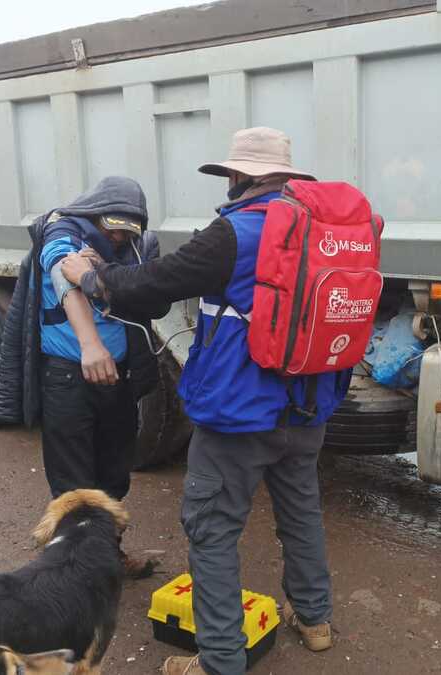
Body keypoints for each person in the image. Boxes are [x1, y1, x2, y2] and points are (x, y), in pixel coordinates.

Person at [61, 128, 349, 675]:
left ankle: (219, 661)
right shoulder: (322, 227)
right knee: (300, 511)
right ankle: (315, 622)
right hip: (308, 403)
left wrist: (90, 275)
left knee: (212, 530)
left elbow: (150, 284)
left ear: (238, 175)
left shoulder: (234, 232)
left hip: (240, 413)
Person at [0, 176, 170, 578]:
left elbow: (151, 298)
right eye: (112, 226)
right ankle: (73, 572)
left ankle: (107, 555)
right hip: (68, 378)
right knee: (73, 484)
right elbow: (65, 280)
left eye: (127, 230)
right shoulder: (63, 231)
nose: (117, 236)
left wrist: (105, 271)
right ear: (94, 212)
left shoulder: (135, 248)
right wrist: (90, 345)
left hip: (119, 377)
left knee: (114, 474)